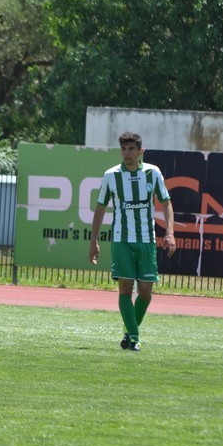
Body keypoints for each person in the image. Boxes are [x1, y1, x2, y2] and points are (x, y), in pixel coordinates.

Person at [88, 131, 176, 351]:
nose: (127, 153)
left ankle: (128, 332)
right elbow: (100, 208)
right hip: (122, 240)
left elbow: (166, 202)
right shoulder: (111, 175)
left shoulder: (153, 173)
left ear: (140, 151)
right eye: (123, 149)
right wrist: (94, 240)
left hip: (146, 240)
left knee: (145, 292)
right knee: (125, 289)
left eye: (131, 149)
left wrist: (170, 232)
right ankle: (135, 338)